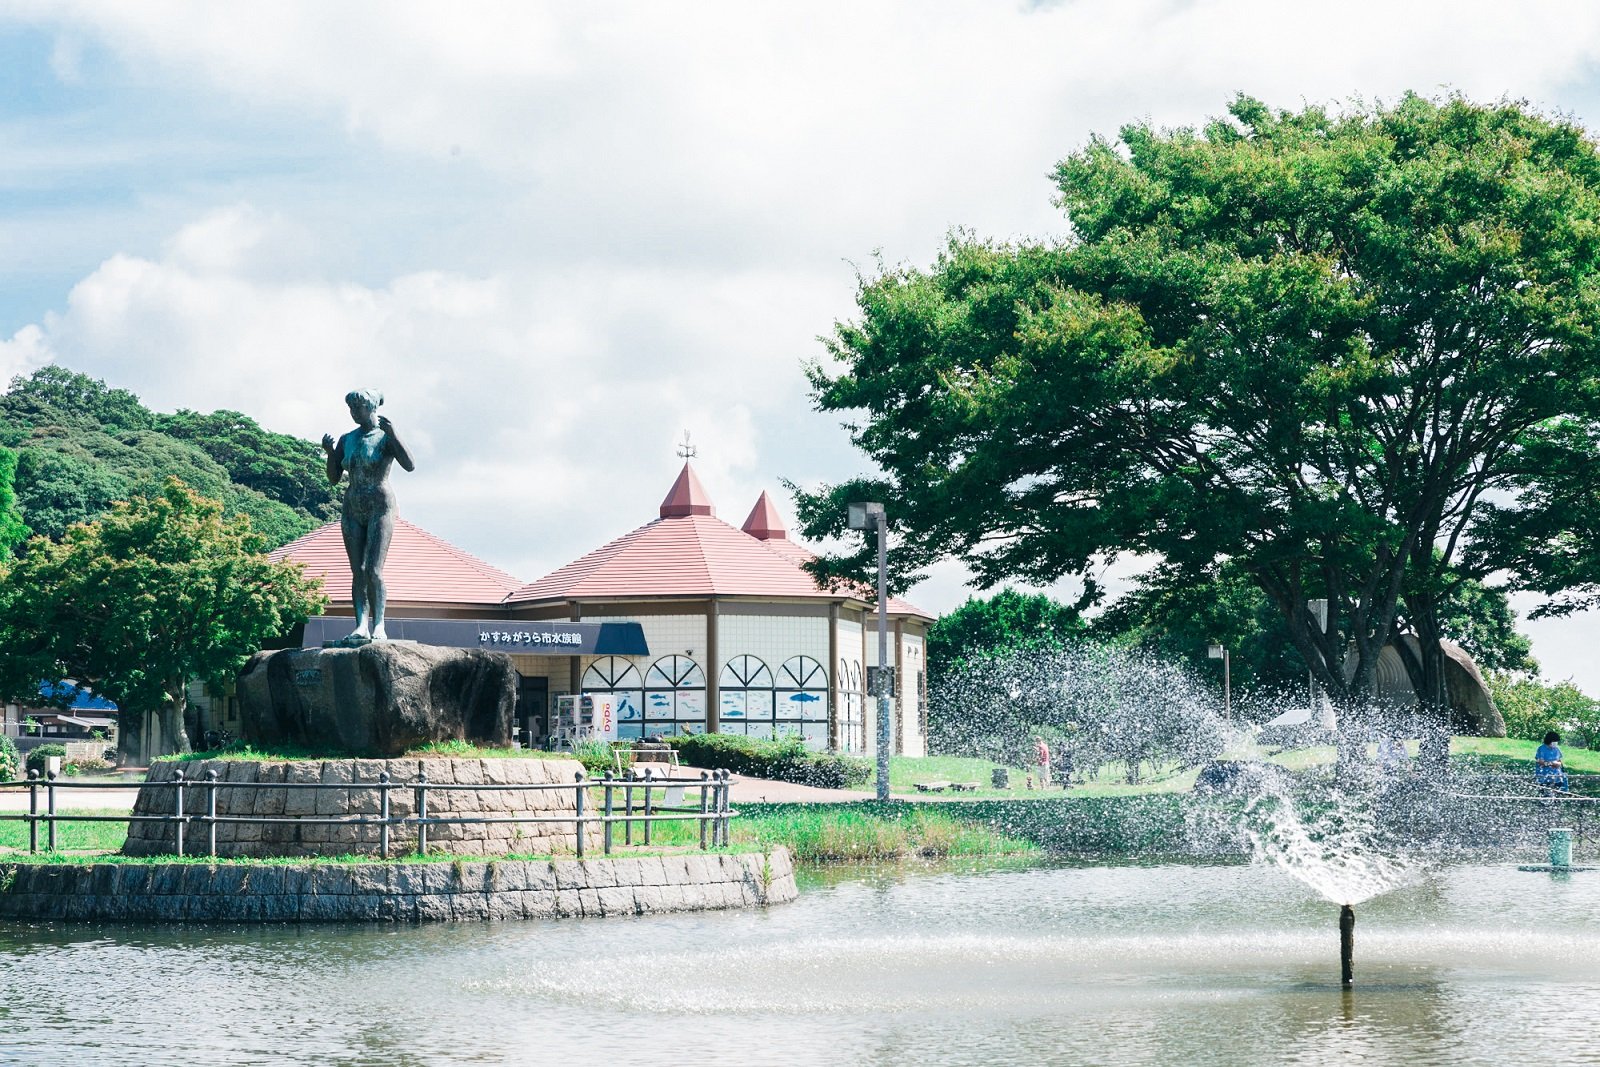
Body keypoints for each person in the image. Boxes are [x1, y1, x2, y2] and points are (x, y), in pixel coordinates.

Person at [322, 389, 414, 642]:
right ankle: (360, 624)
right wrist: (331, 453)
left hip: (379, 507)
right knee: (358, 571)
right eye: (351, 408)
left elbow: (409, 464)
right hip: (352, 508)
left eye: (358, 408)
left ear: (372, 407)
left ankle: (379, 624)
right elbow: (333, 478)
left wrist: (394, 435)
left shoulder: (384, 436)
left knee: (374, 570)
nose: (353, 413)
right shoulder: (347, 439)